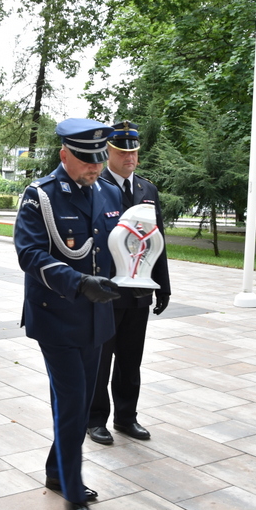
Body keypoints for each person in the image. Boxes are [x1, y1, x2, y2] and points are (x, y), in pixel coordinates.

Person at [15, 118, 122, 510]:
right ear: (64, 155)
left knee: (73, 402)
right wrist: (78, 282)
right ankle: (74, 495)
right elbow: (30, 255)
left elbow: (118, 248)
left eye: (98, 159)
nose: (94, 167)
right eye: (85, 159)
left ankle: (57, 470)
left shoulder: (108, 192)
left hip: (96, 317)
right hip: (56, 314)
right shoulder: (39, 196)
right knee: (74, 402)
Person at [88, 120, 171, 445]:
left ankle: (126, 417)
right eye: (123, 152)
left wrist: (162, 285)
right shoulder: (96, 185)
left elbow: (156, 240)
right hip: (107, 290)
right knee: (101, 359)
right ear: (109, 151)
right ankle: (95, 419)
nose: (130, 158)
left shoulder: (147, 190)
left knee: (130, 358)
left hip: (139, 291)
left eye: (134, 152)